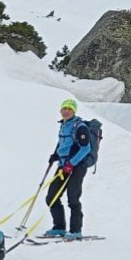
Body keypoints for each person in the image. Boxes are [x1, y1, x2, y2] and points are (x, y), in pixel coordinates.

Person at [44, 98, 91, 239]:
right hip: (63, 166)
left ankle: (76, 230)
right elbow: (63, 145)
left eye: (69, 109)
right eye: (64, 108)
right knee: (52, 197)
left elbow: (85, 148)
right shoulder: (64, 125)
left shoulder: (80, 126)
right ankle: (59, 227)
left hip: (77, 167)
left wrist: (71, 163)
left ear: (74, 111)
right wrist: (56, 156)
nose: (66, 111)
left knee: (73, 198)